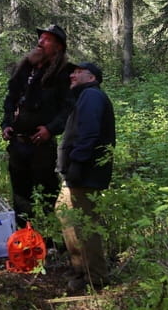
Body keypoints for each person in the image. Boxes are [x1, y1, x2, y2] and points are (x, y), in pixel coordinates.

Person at [1, 24, 74, 228]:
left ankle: (49, 237)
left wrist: (50, 129)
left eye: (47, 39)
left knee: (47, 194)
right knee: (20, 194)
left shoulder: (63, 73)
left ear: (58, 47)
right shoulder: (25, 69)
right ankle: (24, 235)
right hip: (18, 145)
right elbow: (10, 100)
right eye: (41, 38)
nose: (40, 42)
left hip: (41, 147)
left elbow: (67, 108)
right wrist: (6, 124)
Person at [56, 62, 116, 292]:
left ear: (92, 78)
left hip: (86, 171)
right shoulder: (82, 97)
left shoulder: (92, 96)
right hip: (76, 171)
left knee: (85, 223)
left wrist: (78, 163)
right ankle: (80, 268)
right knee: (65, 212)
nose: (72, 75)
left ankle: (96, 277)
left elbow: (89, 133)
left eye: (78, 72)